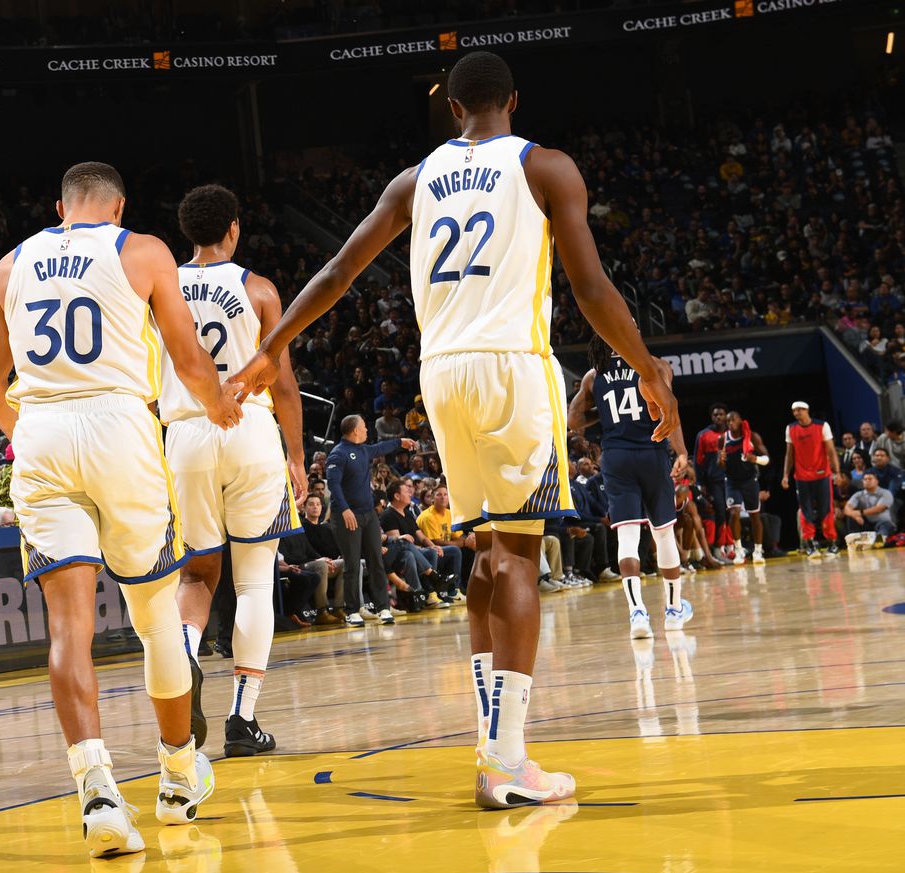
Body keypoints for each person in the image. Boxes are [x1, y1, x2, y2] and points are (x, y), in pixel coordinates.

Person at [232, 51, 677, 809]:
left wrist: (273, 346)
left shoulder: (414, 179)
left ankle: (490, 741)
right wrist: (647, 365)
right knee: (521, 558)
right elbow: (591, 286)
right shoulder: (546, 167)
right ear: (512, 100)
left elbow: (339, 270)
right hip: (511, 366)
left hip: (439, 371)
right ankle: (507, 760)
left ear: (453, 107)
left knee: (483, 553)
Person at [0, 162, 241, 858]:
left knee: (69, 628)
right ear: (119, 206)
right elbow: (187, 360)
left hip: (41, 433)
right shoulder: (143, 249)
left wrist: (29, 439)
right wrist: (221, 405)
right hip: (119, 428)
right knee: (156, 620)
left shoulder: (11, 263)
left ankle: (96, 793)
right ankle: (179, 773)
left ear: (56, 208)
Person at [157, 184, 306, 760]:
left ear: (187, 232)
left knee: (196, 576)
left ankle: (187, 656)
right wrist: (295, 457)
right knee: (254, 582)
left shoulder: (161, 290)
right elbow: (285, 384)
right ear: (235, 228)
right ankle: (243, 719)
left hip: (187, 432)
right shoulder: (259, 289)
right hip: (247, 429)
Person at [569, 334, 689, 639]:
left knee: (627, 535)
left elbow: (573, 420)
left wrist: (606, 417)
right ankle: (673, 611)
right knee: (663, 533)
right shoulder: (654, 366)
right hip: (650, 451)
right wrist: (682, 453)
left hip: (616, 456)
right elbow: (668, 413)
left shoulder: (595, 374)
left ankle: (637, 614)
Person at [324, 416, 415, 627]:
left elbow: (381, 447)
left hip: (368, 515)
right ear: (355, 430)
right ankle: (352, 610)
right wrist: (345, 509)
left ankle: (383, 607)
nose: (367, 430)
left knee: (376, 560)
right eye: (364, 427)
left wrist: (400, 442)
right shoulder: (338, 454)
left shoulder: (364, 450)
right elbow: (334, 485)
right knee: (353, 563)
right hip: (347, 515)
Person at [782, 401, 840, 555]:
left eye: (800, 410)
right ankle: (809, 543)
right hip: (801, 477)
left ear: (807, 410)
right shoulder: (791, 428)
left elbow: (831, 451)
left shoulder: (822, 426)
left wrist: (837, 472)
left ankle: (831, 542)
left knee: (826, 510)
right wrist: (785, 475)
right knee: (805, 510)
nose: (796, 413)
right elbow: (789, 454)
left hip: (822, 474)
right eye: (794, 411)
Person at [720, 411, 770, 565]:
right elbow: (720, 465)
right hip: (732, 482)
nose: (730, 423)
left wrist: (754, 458)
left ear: (740, 420)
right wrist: (720, 460)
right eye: (728, 421)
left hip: (749, 481)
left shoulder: (752, 436)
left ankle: (757, 550)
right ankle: (739, 549)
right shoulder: (723, 439)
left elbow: (767, 459)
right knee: (734, 513)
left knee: (755, 516)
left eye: (733, 420)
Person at [692, 404, 730, 562]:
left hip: (733, 481)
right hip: (714, 482)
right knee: (720, 512)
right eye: (715, 415)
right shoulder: (704, 435)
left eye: (721, 414)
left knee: (731, 514)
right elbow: (698, 461)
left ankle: (733, 547)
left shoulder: (733, 434)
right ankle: (718, 549)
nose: (718, 417)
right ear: (711, 417)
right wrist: (700, 485)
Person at [844, 471, 894, 540]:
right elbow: (847, 508)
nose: (867, 481)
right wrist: (854, 515)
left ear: (877, 481)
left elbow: (879, 508)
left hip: (881, 522)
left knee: (887, 525)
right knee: (850, 518)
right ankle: (855, 540)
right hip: (865, 523)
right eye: (865, 479)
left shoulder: (885, 493)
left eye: (870, 479)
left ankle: (880, 539)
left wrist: (860, 513)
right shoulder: (858, 494)